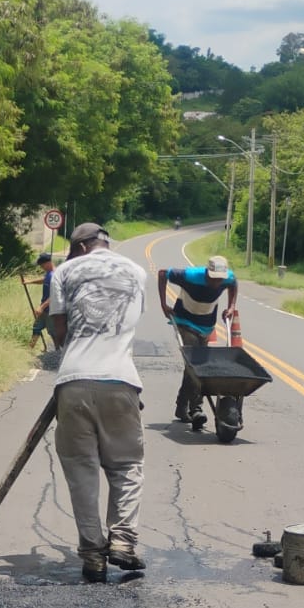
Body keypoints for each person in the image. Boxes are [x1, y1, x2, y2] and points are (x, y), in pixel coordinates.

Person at [47, 222, 148, 583]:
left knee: (82, 472)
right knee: (126, 467)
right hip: (122, 381)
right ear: (105, 243)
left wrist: (70, 351)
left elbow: (58, 327)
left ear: (79, 247)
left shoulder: (65, 271)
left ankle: (93, 555)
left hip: (73, 382)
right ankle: (122, 540)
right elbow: (131, 322)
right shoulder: (137, 272)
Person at [157, 253, 238, 429]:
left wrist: (231, 306)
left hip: (206, 325)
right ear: (207, 272)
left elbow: (233, 283)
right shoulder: (190, 276)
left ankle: (181, 405)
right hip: (185, 322)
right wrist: (164, 304)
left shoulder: (227, 278)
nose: (217, 283)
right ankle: (196, 410)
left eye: (220, 280)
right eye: (214, 279)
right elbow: (163, 273)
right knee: (195, 365)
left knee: (192, 367)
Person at [29, 251, 55, 350]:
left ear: (48, 263)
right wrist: (29, 282)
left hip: (51, 311)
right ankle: (30, 349)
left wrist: (41, 307)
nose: (41, 267)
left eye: (42, 265)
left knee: (53, 333)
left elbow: (54, 296)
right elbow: (44, 280)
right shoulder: (49, 274)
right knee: (36, 328)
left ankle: (58, 353)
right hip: (44, 309)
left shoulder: (54, 275)